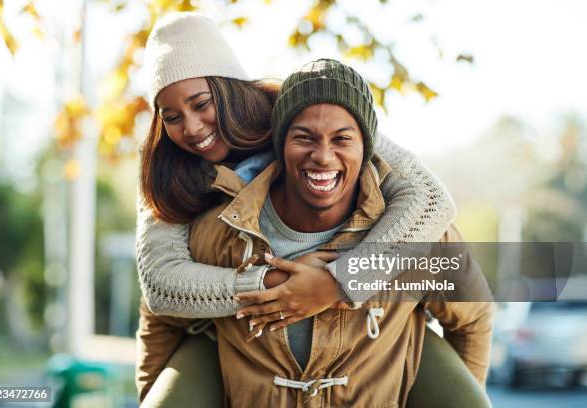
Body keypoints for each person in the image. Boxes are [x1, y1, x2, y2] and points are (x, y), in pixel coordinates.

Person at [135, 12, 488, 407]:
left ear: (228, 91)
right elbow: (160, 285)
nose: (192, 127)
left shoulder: (306, 104)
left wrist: (339, 281)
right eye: (172, 117)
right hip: (234, 338)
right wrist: (273, 288)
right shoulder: (168, 171)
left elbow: (427, 195)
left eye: (201, 104)